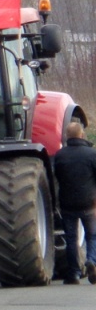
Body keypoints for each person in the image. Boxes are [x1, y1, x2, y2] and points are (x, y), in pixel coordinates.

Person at [53, 121, 96, 284]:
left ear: (67, 136)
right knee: (93, 236)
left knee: (71, 238)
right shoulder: (91, 154)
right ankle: (92, 260)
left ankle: (74, 274)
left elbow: (57, 177)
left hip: (67, 204)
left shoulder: (60, 155)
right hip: (89, 204)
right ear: (82, 135)